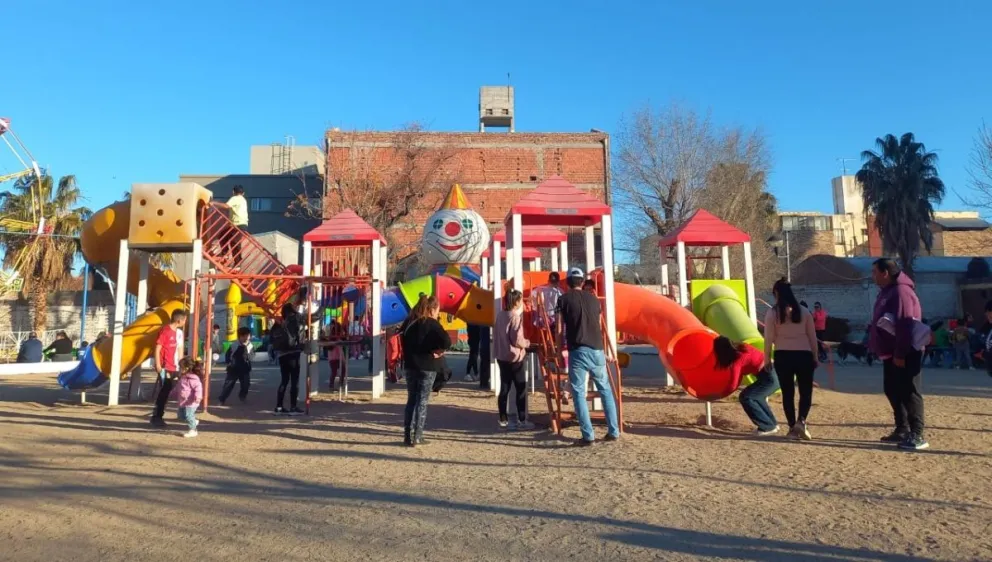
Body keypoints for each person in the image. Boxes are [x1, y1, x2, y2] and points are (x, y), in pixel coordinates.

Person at [556, 267, 620, 446]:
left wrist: (560, 348)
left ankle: (588, 435)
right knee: (605, 389)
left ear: (568, 282)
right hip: (597, 350)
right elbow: (599, 325)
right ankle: (613, 430)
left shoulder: (563, 300)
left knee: (578, 392)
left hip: (578, 350)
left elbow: (559, 328)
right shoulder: (594, 300)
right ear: (582, 281)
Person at [869, 258, 928, 450]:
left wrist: (901, 353)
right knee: (892, 389)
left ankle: (917, 434)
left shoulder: (901, 291)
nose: (873, 276)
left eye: (875, 272)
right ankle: (902, 428)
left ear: (885, 273)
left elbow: (905, 324)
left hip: (906, 352)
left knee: (909, 392)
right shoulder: (888, 292)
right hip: (890, 352)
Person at [763, 279, 818, 440]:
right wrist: (815, 356)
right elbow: (812, 337)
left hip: (783, 355)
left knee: (788, 393)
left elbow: (768, 338)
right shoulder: (804, 312)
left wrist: (767, 359)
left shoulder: (773, 313)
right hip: (804, 354)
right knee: (805, 391)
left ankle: (792, 427)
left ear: (777, 294)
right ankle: (802, 420)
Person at [399, 294, 451, 447]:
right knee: (422, 401)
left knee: (411, 401)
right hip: (428, 366)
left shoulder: (409, 322)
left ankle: (407, 436)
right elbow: (447, 341)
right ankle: (418, 435)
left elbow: (401, 338)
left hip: (410, 365)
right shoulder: (432, 324)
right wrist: (439, 350)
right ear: (433, 309)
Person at [713, 336, 779, 435]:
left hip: (770, 376)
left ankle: (767, 426)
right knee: (757, 397)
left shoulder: (737, 360)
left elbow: (733, 384)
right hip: (776, 371)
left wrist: (721, 394)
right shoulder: (744, 347)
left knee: (746, 397)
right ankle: (772, 424)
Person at [494, 289, 533, 430]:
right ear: (516, 301)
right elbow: (517, 340)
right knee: (520, 388)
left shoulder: (500, 315)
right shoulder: (515, 317)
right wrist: (527, 343)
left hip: (501, 356)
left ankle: (503, 419)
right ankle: (522, 419)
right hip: (515, 357)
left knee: (504, 387)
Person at [151, 310, 187, 428]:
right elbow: (157, 348)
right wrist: (157, 364)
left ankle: (182, 414)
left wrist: (182, 367)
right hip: (165, 367)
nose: (185, 322)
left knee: (175, 390)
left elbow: (180, 350)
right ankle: (157, 417)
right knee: (164, 391)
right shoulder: (165, 331)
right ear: (179, 320)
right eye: (184, 320)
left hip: (175, 367)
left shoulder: (180, 333)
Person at [271, 302, 304, 415]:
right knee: (294, 382)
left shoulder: (278, 323)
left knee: (284, 381)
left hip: (281, 355)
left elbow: (272, 339)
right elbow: (310, 318)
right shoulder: (295, 319)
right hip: (293, 353)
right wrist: (321, 308)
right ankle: (293, 407)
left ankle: (279, 407)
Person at [212, 184, 249, 269]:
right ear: (243, 193)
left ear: (233, 192)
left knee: (234, 243)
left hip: (238, 224)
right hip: (239, 224)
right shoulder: (243, 200)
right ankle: (225, 255)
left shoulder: (235, 198)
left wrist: (214, 203)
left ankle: (237, 264)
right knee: (224, 235)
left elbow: (226, 206)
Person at [218, 327, 254, 405]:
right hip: (233, 369)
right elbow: (228, 355)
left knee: (246, 385)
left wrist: (247, 349)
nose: (247, 338)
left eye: (248, 336)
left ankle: (242, 396)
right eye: (245, 336)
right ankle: (222, 399)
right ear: (240, 336)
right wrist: (229, 363)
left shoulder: (250, 345)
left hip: (245, 369)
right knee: (228, 385)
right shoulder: (234, 345)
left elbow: (251, 356)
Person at [172, 357, 204, 438]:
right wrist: (173, 392)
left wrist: (198, 397)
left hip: (191, 402)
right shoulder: (182, 377)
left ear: (186, 368)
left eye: (180, 367)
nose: (179, 369)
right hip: (183, 401)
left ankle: (193, 430)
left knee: (188, 415)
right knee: (181, 416)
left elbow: (198, 388)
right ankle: (194, 421)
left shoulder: (193, 379)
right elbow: (178, 387)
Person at [327, 320, 345, 391]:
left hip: (338, 356)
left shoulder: (338, 338)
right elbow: (330, 347)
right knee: (334, 371)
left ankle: (339, 384)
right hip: (334, 357)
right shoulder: (332, 337)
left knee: (341, 370)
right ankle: (333, 385)